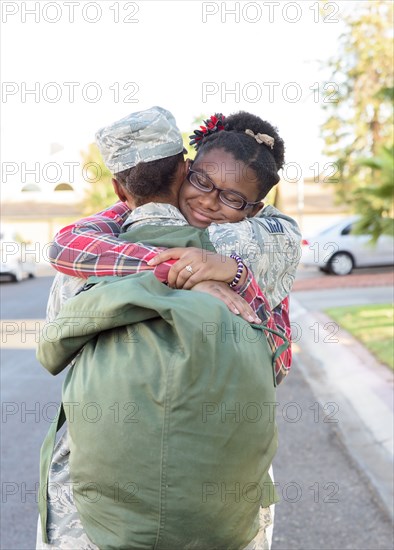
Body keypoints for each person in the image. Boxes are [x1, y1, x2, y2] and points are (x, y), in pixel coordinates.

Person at [37, 107, 301, 549]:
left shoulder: (97, 247)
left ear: (120, 187)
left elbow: (55, 343)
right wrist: (202, 273)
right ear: (184, 169)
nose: (211, 202)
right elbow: (278, 360)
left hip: (96, 490)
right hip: (224, 481)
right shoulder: (259, 240)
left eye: (231, 198)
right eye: (203, 182)